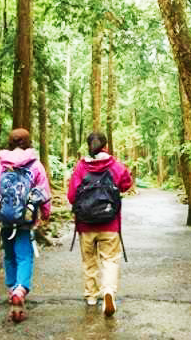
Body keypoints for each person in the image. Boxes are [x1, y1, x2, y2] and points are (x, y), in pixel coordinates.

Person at [0, 128, 51, 323]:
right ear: (28, 142)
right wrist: (46, 213)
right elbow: (43, 191)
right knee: (25, 256)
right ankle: (20, 289)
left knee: (9, 255)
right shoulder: (35, 165)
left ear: (10, 143)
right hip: (26, 219)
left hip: (4, 218)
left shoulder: (0, 164)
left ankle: (12, 290)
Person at [67, 131, 133, 317]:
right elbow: (127, 184)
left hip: (85, 225)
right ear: (106, 146)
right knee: (110, 260)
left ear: (88, 146)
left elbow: (72, 196)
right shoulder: (115, 166)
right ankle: (109, 292)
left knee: (89, 261)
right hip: (110, 223)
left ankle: (91, 296)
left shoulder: (81, 167)